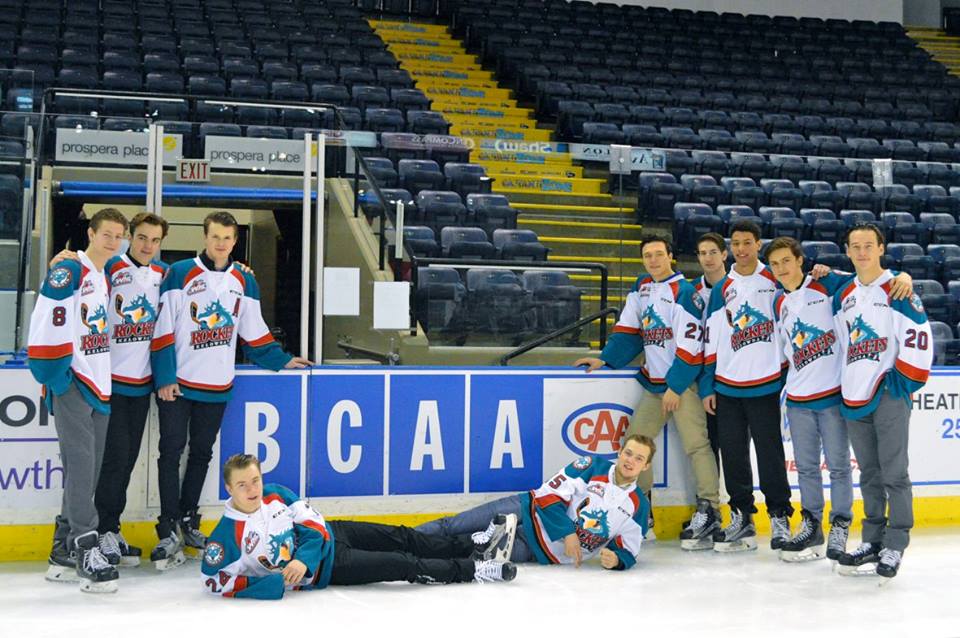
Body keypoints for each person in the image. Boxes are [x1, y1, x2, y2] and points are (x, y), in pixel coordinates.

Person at [150, 211, 312, 570]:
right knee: (170, 452)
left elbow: (254, 330)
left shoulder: (243, 279)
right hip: (178, 385)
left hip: (217, 385)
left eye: (227, 238)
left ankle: (188, 520)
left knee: (201, 454)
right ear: (205, 237)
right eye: (215, 237)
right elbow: (163, 328)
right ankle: (167, 526)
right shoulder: (180, 273)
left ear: (235, 241)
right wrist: (164, 376)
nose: (220, 243)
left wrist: (282, 359)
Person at [574, 235, 719, 550]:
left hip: (683, 386)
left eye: (658, 254)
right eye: (647, 255)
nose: (653, 260)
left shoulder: (685, 293)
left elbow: (692, 346)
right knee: (634, 446)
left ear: (671, 257)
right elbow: (629, 331)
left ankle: (710, 510)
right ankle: (641, 510)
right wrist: (606, 359)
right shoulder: (641, 288)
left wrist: (676, 386)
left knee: (697, 446)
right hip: (654, 386)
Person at [201, 454, 515, 599]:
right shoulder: (226, 537)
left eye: (255, 480)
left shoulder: (276, 494)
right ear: (229, 489)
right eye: (242, 485)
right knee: (403, 564)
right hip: (332, 568)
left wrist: (302, 559)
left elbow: (314, 525)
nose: (252, 489)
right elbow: (215, 580)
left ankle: (475, 545)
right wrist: (272, 585)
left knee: (403, 536)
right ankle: (474, 570)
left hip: (336, 533)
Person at [27, 208, 128, 593]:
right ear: (91, 233)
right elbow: (46, 321)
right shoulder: (69, 270)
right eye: (107, 234)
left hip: (99, 385)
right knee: (83, 465)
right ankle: (85, 547)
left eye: (118, 235)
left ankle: (62, 549)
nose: (113, 241)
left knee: (87, 469)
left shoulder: (104, 274)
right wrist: (55, 377)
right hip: (73, 383)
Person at [833, 224, 932, 579]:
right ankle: (872, 540)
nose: (862, 252)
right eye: (855, 246)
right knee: (870, 475)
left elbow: (919, 339)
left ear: (881, 248)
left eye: (868, 245)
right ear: (847, 251)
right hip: (854, 395)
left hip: (887, 394)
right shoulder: (843, 294)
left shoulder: (898, 289)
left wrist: (900, 384)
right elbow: (843, 344)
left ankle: (896, 542)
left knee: (894, 473)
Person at [418, 435, 654, 570]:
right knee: (453, 526)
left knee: (462, 546)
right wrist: (568, 532)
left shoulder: (639, 506)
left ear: (646, 466)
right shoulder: (592, 466)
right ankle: (401, 538)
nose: (630, 461)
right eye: (628, 453)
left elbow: (628, 548)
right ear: (620, 452)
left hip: (538, 549)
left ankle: (409, 555)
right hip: (525, 509)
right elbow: (548, 494)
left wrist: (618, 560)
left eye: (639, 458)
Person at [700, 220, 793, 552]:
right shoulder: (722, 288)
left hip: (766, 385)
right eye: (736, 243)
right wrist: (707, 385)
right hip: (727, 387)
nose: (741, 249)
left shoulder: (776, 280)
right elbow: (710, 341)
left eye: (747, 243)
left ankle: (779, 515)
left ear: (758, 244)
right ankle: (742, 516)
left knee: (770, 455)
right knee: (733, 456)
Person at [692, 232, 728, 470]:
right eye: (703, 253)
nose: (708, 258)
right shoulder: (690, 291)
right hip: (702, 373)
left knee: (734, 441)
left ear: (724, 254)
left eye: (713, 252)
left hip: (733, 371)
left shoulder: (739, 285)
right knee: (707, 439)